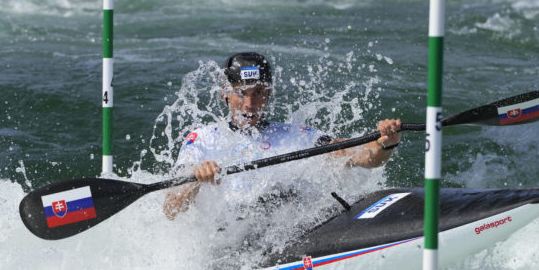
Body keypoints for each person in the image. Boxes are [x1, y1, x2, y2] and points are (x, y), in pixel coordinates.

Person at [163, 52, 402, 219]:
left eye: (259, 93)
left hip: (286, 235)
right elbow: (171, 209)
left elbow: (357, 156)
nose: (250, 103)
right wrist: (195, 179)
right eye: (241, 93)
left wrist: (385, 144)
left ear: (268, 94)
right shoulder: (201, 140)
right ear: (225, 94)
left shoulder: (297, 136)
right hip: (228, 241)